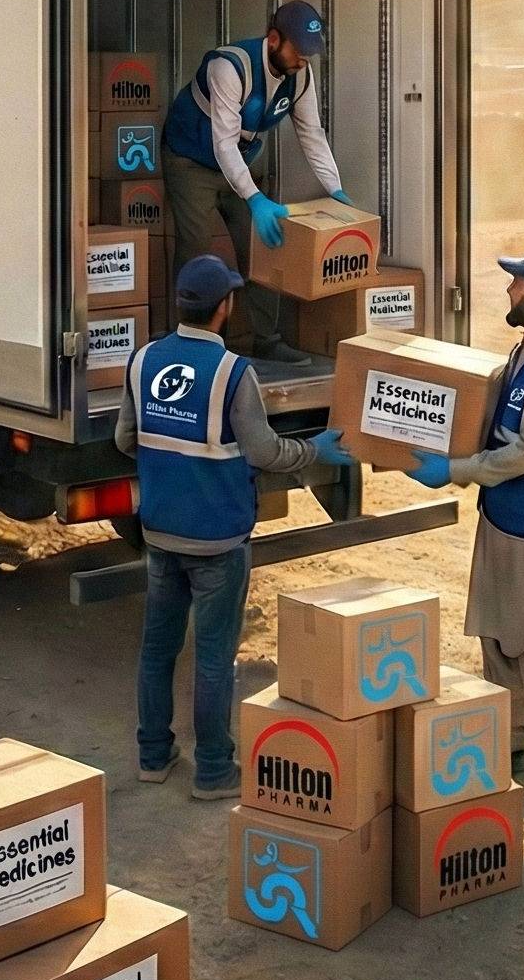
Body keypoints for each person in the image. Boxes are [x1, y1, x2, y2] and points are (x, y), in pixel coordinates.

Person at [117, 253, 350, 797]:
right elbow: (264, 451)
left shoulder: (143, 361)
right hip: (218, 539)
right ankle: (214, 771)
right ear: (224, 308)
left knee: (157, 650)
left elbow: (126, 439)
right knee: (214, 657)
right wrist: (313, 449)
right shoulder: (232, 374)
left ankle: (153, 756)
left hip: (160, 533)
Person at [408, 248, 524, 809]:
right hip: (504, 524)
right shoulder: (523, 355)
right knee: (500, 641)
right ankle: (512, 745)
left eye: (516, 285)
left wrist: (455, 471)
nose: (508, 292)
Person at [162, 0, 349, 364]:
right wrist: (255, 198)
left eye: (312, 53)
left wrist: (335, 190)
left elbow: (312, 134)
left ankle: (266, 339)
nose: (304, 61)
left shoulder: (300, 77)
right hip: (190, 159)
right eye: (300, 51)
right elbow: (223, 143)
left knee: (267, 245)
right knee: (196, 249)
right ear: (275, 39)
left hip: (240, 163)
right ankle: (192, 345)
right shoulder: (229, 66)